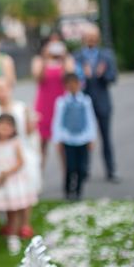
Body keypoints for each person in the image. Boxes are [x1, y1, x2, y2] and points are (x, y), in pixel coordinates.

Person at [0, 77, 41, 239]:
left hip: (21, 151)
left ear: (9, 89)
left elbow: (29, 131)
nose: (0, 92)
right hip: (3, 154)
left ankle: (25, 223)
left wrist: (30, 119)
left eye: (2, 88)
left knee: (25, 190)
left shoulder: (21, 107)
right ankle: (11, 223)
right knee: (9, 192)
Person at [73, 26, 119, 183]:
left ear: (97, 38)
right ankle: (84, 171)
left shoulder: (106, 55)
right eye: (88, 37)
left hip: (103, 103)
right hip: (83, 104)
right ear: (83, 39)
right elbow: (71, 82)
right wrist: (83, 78)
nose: (91, 40)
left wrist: (102, 74)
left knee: (106, 138)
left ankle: (111, 170)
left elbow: (113, 77)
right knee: (84, 138)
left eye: (93, 37)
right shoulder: (77, 57)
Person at [0, 114, 33, 255]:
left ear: (13, 129)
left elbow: (20, 162)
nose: (4, 130)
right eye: (2, 126)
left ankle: (13, 236)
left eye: (8, 127)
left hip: (12, 181)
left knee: (13, 210)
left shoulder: (15, 143)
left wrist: (7, 172)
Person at [51, 73, 98, 201]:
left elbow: (90, 120)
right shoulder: (61, 102)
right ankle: (67, 190)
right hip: (68, 139)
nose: (72, 86)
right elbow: (57, 121)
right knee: (70, 167)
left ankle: (78, 191)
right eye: (69, 84)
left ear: (79, 84)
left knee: (81, 168)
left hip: (82, 138)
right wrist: (58, 139)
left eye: (75, 84)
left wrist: (91, 137)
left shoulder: (85, 101)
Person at [31, 34, 75, 169]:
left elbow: (70, 80)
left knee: (63, 145)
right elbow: (38, 78)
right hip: (44, 105)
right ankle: (37, 178)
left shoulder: (67, 60)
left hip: (62, 106)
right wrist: (45, 59)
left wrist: (64, 58)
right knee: (41, 144)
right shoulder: (38, 61)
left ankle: (68, 177)